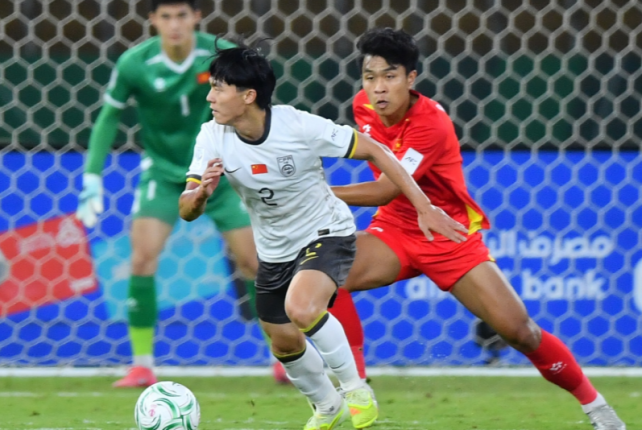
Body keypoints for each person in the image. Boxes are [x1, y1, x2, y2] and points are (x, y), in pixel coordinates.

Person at [328, 27, 626, 430]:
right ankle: (357, 388)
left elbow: (386, 188)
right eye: (370, 77)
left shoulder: (431, 123)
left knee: (521, 332)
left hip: (447, 235)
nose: (378, 87)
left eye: (390, 76)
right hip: (395, 228)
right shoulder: (362, 106)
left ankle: (598, 408)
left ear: (411, 78)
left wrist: (317, 191)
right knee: (328, 276)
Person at [179, 39, 468, 430]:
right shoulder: (211, 136)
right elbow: (186, 210)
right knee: (282, 340)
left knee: (302, 307)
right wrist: (199, 195)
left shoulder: (298, 125)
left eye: (218, 88)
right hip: (275, 249)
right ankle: (327, 405)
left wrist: (423, 206)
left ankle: (356, 390)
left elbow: (377, 151)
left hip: (326, 231)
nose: (210, 96)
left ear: (248, 96)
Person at [75, 0, 276, 387]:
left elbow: (256, 105)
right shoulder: (135, 63)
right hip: (164, 174)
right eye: (165, 17)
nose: (174, 25)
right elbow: (108, 117)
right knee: (141, 258)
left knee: (254, 262)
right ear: (152, 19)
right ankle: (142, 364)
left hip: (219, 172)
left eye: (182, 15)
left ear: (197, 17)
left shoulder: (219, 57)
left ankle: (282, 355)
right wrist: (92, 176)